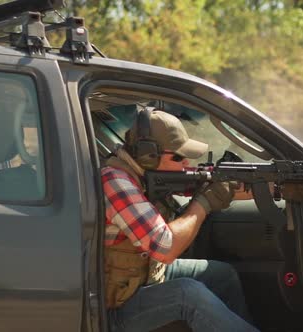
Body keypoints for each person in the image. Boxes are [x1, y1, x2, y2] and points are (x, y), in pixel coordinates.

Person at [102, 108, 258, 332]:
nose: (185, 163)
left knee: (222, 275)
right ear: (148, 155)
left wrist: (275, 187)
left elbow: (214, 186)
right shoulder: (115, 182)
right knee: (188, 294)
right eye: (178, 157)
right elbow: (165, 248)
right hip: (115, 310)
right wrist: (202, 204)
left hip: (143, 278)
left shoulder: (147, 174)